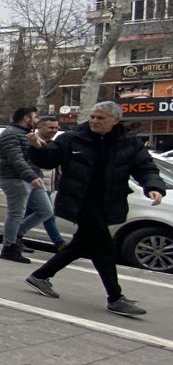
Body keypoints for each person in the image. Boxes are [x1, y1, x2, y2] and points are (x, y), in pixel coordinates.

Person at [24, 101, 164, 316]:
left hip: (109, 202)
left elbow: (145, 167)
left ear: (115, 121)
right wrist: (37, 146)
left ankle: (40, 276)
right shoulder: (72, 138)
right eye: (93, 117)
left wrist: (153, 187)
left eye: (101, 118)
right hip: (81, 201)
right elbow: (49, 159)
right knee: (105, 249)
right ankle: (115, 298)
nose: (94, 121)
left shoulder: (129, 142)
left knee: (81, 245)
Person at [0, 106, 52, 263]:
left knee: (46, 210)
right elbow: (16, 158)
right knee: (16, 213)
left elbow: (45, 153)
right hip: (15, 179)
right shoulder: (10, 134)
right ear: (26, 118)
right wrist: (31, 177)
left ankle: (15, 235)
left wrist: (38, 143)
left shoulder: (28, 135)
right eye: (35, 117)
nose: (37, 120)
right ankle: (9, 247)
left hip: (32, 177)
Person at [27, 114, 66, 250]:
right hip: (36, 185)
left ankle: (11, 237)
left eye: (56, 127)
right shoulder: (31, 142)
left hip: (47, 186)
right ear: (39, 127)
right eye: (50, 127)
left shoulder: (55, 145)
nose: (54, 130)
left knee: (30, 214)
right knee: (47, 214)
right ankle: (59, 243)